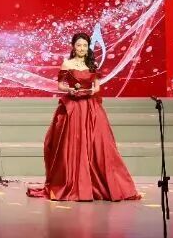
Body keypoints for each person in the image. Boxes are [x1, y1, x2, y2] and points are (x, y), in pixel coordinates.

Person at [28, 32, 140, 201]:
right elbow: (60, 85)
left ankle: (97, 185)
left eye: (84, 45)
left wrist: (91, 91)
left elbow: (97, 87)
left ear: (88, 47)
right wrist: (70, 90)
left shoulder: (92, 64)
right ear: (73, 47)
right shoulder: (67, 63)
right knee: (73, 145)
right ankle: (75, 184)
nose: (82, 48)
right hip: (73, 108)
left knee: (100, 145)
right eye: (79, 45)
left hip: (91, 107)